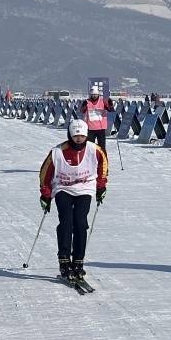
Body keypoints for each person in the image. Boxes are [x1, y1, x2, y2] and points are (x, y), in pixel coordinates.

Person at [38, 119, 109, 280]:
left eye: (82, 136)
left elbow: (103, 167)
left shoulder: (95, 150)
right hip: (63, 188)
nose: (79, 139)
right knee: (66, 222)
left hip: (85, 188)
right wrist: (46, 195)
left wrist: (101, 187)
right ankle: (64, 260)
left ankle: (78, 261)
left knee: (80, 223)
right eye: (76, 136)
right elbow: (45, 174)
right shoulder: (57, 152)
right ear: (70, 135)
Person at [79, 85, 114, 154]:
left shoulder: (103, 101)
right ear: (90, 95)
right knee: (90, 147)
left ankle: (103, 161)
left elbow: (111, 110)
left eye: (96, 94)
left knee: (102, 147)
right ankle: (90, 160)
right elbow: (82, 111)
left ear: (98, 94)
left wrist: (110, 104)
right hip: (90, 128)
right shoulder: (87, 102)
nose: (94, 96)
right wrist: (83, 106)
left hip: (101, 128)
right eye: (93, 95)